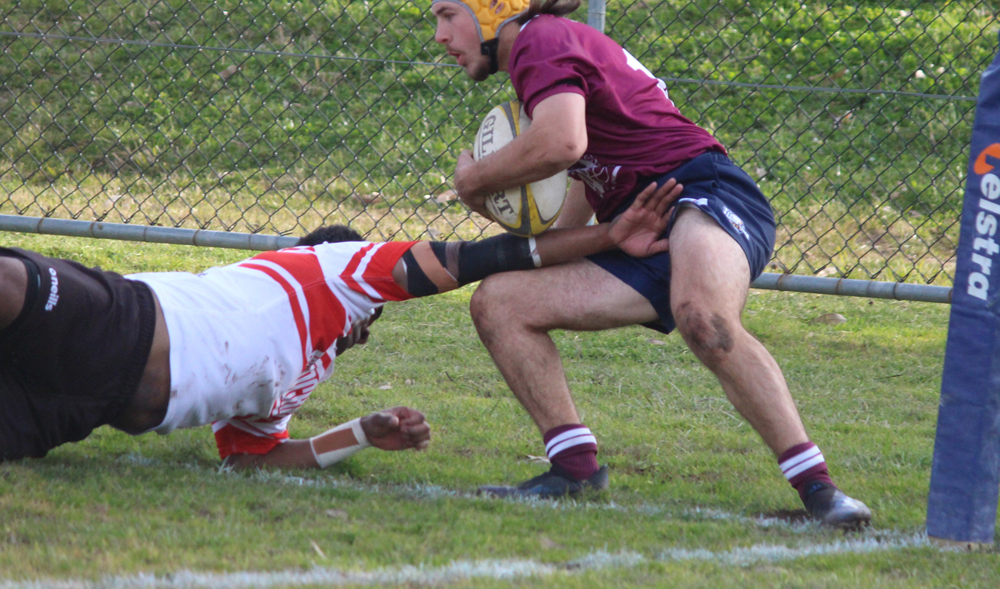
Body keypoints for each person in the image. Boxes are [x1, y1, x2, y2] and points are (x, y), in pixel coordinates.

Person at [429, 0, 871, 527]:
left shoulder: (541, 40)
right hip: (640, 227)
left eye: (447, 15)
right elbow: (568, 216)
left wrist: (473, 180)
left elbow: (562, 144)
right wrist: (502, 211)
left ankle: (822, 492)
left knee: (702, 317)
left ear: (490, 9)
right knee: (501, 302)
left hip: (702, 192)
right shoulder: (544, 66)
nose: (440, 36)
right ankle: (574, 469)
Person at [0, 180, 682, 469]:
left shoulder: (299, 373)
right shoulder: (335, 269)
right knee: (12, 283)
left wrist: (360, 434)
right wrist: (605, 237)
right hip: (129, 321)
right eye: (374, 309)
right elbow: (474, 259)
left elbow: (251, 457)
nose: (371, 325)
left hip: (86, 404)